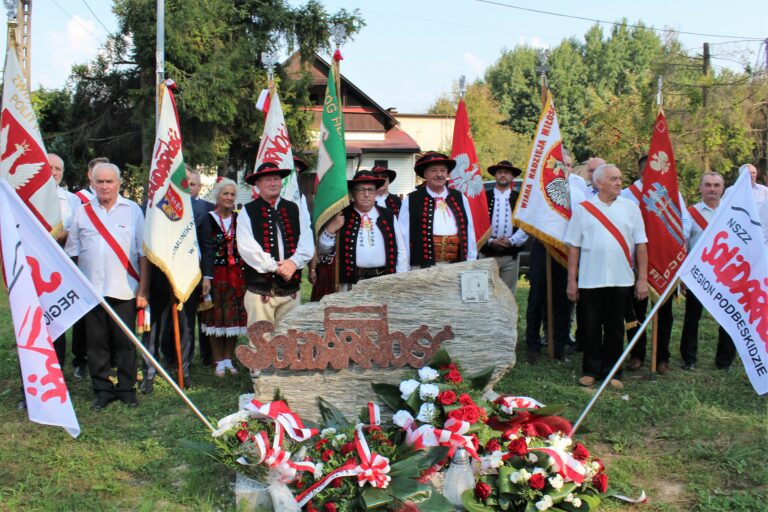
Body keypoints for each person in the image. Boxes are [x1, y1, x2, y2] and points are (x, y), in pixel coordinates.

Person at [65, 163, 149, 410]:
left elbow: (142, 253)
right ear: (92, 183)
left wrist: (143, 290)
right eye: (99, 181)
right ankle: (102, 389)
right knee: (96, 344)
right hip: (91, 291)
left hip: (124, 288)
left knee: (125, 343)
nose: (104, 186)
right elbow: (72, 253)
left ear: (119, 183)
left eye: (109, 181)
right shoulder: (81, 212)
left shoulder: (133, 211)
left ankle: (126, 389)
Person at [565, 164, 648, 390]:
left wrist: (642, 278)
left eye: (620, 178)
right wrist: (571, 280)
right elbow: (574, 247)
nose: (619, 182)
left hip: (621, 279)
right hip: (591, 279)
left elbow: (641, 244)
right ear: (599, 183)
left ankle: (614, 370)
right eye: (613, 179)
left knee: (615, 328)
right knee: (590, 326)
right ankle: (591, 370)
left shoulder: (631, 208)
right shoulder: (583, 209)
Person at [621, 155, 690, 374]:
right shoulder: (627, 195)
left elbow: (685, 222)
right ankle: (637, 354)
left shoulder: (671, 193)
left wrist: (673, 242)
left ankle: (662, 357)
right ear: (644, 173)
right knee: (636, 313)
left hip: (663, 262)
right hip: (636, 264)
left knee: (664, 313)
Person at [236, 161, 314, 338]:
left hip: (291, 290)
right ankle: (260, 367)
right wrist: (276, 267)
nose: (273, 183)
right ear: (258, 184)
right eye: (267, 180)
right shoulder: (247, 211)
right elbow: (247, 247)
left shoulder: (294, 208)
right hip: (261, 291)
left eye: (276, 179)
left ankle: (283, 367)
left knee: (289, 339)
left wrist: (294, 262)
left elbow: (307, 240)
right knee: (261, 343)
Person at [525, 150, 586, 363]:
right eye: (561, 165)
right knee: (537, 298)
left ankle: (558, 345)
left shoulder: (578, 193)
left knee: (563, 301)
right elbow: (529, 220)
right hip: (543, 249)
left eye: (569, 165)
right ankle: (532, 344)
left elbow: (581, 226)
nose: (565, 169)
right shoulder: (541, 190)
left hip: (567, 252)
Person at [679, 172, 736, 371]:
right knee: (692, 317)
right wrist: (683, 275)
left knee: (727, 319)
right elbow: (683, 245)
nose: (712, 189)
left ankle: (724, 361)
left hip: (725, 274)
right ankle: (689, 359)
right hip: (697, 275)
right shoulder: (690, 213)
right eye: (708, 185)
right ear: (700, 187)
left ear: (723, 188)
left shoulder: (732, 212)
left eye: (716, 185)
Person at [317, 171, 408, 291]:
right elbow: (324, 250)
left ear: (375, 193)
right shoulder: (341, 215)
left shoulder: (388, 215)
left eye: (370, 190)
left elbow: (401, 249)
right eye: (361, 190)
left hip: (384, 281)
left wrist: (400, 277)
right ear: (353, 193)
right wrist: (330, 229)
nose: (366, 194)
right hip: (351, 283)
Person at [200, 178, 248, 377]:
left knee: (233, 318)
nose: (229, 198)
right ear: (217, 196)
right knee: (215, 317)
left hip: (237, 275)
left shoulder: (240, 219)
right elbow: (206, 249)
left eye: (232, 194)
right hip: (216, 274)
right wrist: (206, 277)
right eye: (225, 194)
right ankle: (218, 360)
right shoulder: (208, 219)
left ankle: (229, 358)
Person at [398, 151, 477, 269]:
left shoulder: (460, 197)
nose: (439, 174)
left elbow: (469, 231)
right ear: (425, 174)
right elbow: (403, 237)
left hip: (456, 265)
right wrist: (404, 269)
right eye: (433, 170)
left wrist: (471, 262)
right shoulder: (412, 200)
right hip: (422, 268)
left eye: (443, 170)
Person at [49, 153, 88, 378]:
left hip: (65, 267)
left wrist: (60, 235)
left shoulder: (72, 201)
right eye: (49, 167)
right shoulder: (25, 198)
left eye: (58, 169)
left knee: (65, 319)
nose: (53, 172)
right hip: (36, 269)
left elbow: (76, 233)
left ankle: (67, 367)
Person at [480, 160, 528, 293]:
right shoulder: (484, 198)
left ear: (512, 177)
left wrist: (511, 241)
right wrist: (490, 241)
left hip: (510, 255)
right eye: (500, 172)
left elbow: (525, 226)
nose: (503, 175)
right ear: (495, 176)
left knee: (507, 294)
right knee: (486, 292)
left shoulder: (519, 199)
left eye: (506, 173)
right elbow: (477, 223)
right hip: (487, 254)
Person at [188, 170, 215, 367]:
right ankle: (177, 358)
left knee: (205, 315)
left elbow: (209, 245)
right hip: (179, 273)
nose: (189, 188)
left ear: (199, 187)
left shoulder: (209, 209)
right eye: (186, 183)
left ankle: (208, 355)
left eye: (193, 184)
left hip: (202, 271)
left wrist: (207, 274)